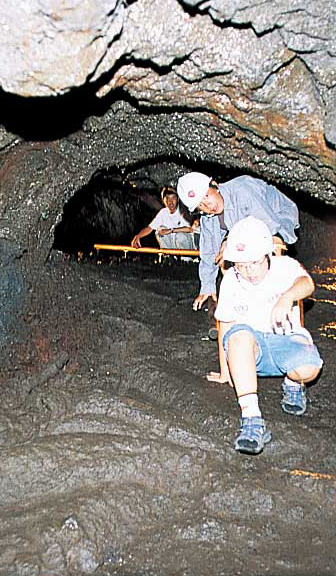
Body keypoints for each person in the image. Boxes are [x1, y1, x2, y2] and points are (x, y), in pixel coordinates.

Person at [208, 216, 323, 455]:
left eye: (254, 263)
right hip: (251, 351)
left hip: (285, 340)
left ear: (266, 255)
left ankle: (292, 384)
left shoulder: (284, 267)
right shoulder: (231, 280)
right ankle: (252, 420)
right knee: (238, 336)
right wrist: (224, 370)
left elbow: (307, 284)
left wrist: (287, 297)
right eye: (241, 265)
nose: (248, 271)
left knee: (309, 368)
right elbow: (225, 326)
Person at [176, 172, 300, 311]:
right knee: (225, 260)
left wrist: (230, 243)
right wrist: (207, 287)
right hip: (242, 227)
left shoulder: (242, 190)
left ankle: (277, 297)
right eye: (201, 205)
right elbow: (208, 253)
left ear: (214, 185)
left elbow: (268, 227)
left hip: (277, 218)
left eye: (206, 196)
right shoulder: (208, 218)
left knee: (271, 247)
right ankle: (247, 301)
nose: (208, 206)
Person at [131, 186, 196, 250]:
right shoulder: (163, 212)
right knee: (159, 230)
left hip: (187, 245)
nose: (170, 202)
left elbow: (190, 229)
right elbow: (150, 228)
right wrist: (138, 236)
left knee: (180, 236)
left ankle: (186, 259)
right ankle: (168, 256)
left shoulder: (183, 210)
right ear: (163, 200)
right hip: (173, 245)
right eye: (167, 198)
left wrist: (171, 230)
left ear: (178, 199)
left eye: (173, 198)